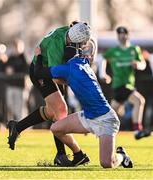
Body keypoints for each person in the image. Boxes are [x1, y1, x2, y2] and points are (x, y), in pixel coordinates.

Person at [7, 21, 91, 166]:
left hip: (51, 69)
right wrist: (75, 81)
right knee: (61, 110)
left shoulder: (72, 31)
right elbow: (56, 77)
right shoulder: (56, 46)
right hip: (41, 72)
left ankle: (18, 127)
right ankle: (69, 154)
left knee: (53, 112)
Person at [49, 39, 133, 168]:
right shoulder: (81, 65)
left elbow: (50, 74)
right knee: (56, 129)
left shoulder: (74, 67)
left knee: (107, 163)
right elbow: (59, 79)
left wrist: (40, 57)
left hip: (106, 119)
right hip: (88, 116)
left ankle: (122, 156)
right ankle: (78, 154)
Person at [100, 26, 151, 140]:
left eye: (124, 34)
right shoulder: (113, 51)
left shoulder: (134, 49)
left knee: (113, 111)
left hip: (129, 84)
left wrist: (138, 65)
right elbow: (102, 59)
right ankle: (137, 130)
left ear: (128, 35)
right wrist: (103, 73)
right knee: (139, 101)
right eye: (119, 34)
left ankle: (102, 129)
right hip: (119, 84)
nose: (122, 36)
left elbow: (142, 64)